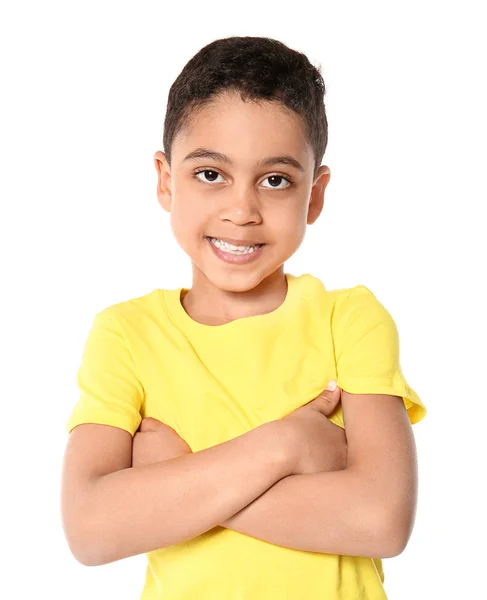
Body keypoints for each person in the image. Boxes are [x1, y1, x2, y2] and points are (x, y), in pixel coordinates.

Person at [61, 35, 427, 600]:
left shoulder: (349, 320)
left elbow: (381, 520)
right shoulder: (126, 335)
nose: (241, 210)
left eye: (275, 180)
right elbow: (90, 529)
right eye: (211, 174)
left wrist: (176, 481)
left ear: (314, 195)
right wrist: (285, 445)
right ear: (165, 179)